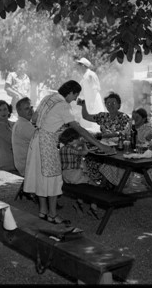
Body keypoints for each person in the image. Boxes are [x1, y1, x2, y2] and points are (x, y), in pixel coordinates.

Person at [24, 80, 114, 225]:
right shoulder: (63, 105)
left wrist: (51, 127)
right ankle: (52, 215)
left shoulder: (48, 97)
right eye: (75, 96)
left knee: (41, 177)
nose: (74, 100)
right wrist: (101, 146)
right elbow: (78, 129)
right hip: (46, 144)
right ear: (71, 92)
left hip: (36, 141)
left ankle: (43, 211)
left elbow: (34, 119)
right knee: (53, 179)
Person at [78, 92, 131, 185]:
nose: (110, 105)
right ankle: (93, 184)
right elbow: (86, 116)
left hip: (117, 147)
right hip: (102, 145)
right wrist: (83, 105)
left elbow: (123, 134)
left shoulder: (124, 117)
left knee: (108, 162)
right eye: (108, 103)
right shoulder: (103, 116)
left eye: (113, 103)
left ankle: (105, 184)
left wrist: (104, 136)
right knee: (89, 156)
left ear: (119, 105)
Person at [58, 127, 101, 219]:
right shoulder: (70, 149)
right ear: (71, 140)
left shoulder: (62, 149)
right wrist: (83, 143)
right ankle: (93, 208)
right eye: (77, 138)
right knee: (95, 186)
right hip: (74, 175)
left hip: (65, 176)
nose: (78, 140)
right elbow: (85, 152)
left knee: (82, 185)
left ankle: (79, 202)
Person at [75, 57, 105, 132]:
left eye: (79, 65)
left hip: (94, 102)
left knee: (95, 124)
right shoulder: (84, 77)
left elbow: (95, 89)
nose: (78, 67)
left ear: (83, 66)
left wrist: (92, 102)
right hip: (88, 102)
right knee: (85, 123)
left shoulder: (91, 75)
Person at [11, 97, 37, 176]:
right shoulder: (24, 125)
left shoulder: (21, 122)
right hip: (28, 167)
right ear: (19, 111)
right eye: (26, 109)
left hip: (23, 164)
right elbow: (43, 140)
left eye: (31, 108)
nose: (30, 111)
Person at [0, 100, 17, 172]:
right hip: (7, 164)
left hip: (14, 161)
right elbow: (13, 140)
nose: (3, 112)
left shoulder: (9, 123)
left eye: (5, 109)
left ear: (8, 110)